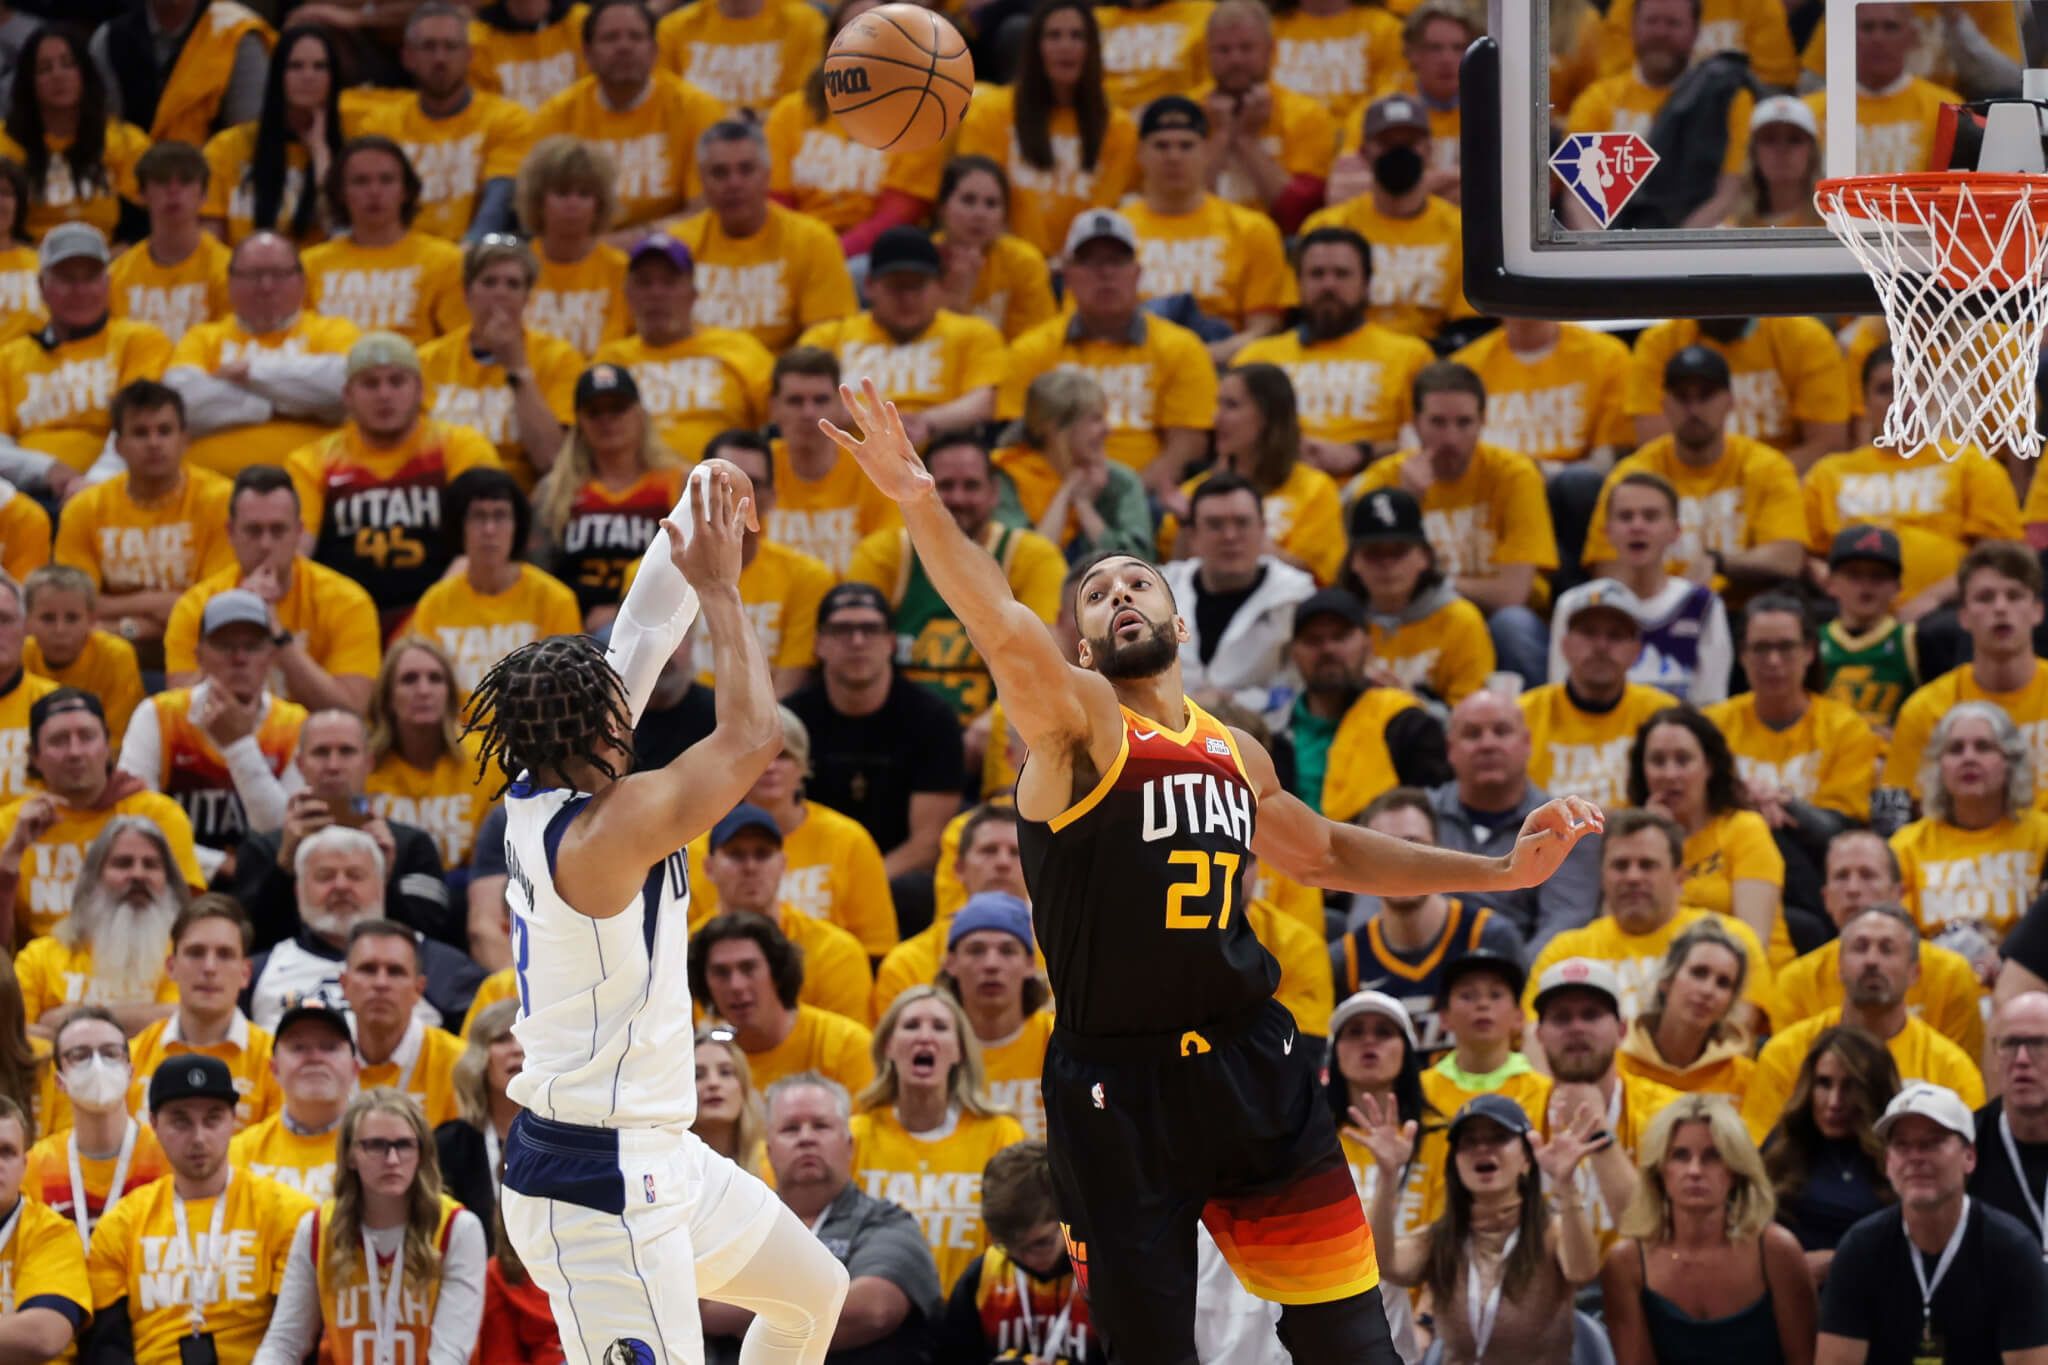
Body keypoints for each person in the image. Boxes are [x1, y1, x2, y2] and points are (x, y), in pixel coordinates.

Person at [842, 371, 1591, 1357]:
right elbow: (996, 623)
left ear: (1176, 619)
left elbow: (1321, 852)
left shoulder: (1234, 751)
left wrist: (1493, 872)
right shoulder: (1076, 724)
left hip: (1252, 1066)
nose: (1117, 595)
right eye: (1097, 591)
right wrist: (919, 502)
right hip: (1117, 1086)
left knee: (1350, 1342)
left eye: (1136, 582)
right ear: (1078, 637)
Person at [466, 460, 853, 1362]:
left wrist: (703, 491)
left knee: (809, 1296)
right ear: (598, 731)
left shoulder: (542, 780)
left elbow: (641, 622)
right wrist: (723, 586)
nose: (629, 710)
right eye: (616, 708)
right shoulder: (607, 830)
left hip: (658, 1148)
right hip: (592, 1183)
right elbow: (754, 737)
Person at [78, 1053, 317, 1364]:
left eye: (213, 1119)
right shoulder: (122, 1223)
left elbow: (297, 1336)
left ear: (234, 1120)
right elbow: (108, 1346)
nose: (199, 1137)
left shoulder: (286, 1213)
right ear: (153, 1124)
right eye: (181, 1121)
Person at [1353, 1091, 1603, 1365]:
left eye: (1499, 1137)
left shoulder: (1551, 1231)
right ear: (1455, 1163)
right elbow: (1386, 1265)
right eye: (1469, 1141)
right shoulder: (1441, 1238)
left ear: (1527, 1160)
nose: (1482, 1148)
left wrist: (1566, 1184)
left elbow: (1583, 1270)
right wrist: (1388, 1177)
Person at [1349, 362, 1558, 684]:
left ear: (1483, 422)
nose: (1450, 437)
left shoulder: (1514, 475)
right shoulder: (1384, 480)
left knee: (1513, 624)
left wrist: (1430, 578)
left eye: (1464, 423)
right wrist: (1406, 503)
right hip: (1418, 619)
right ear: (1415, 424)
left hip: (1495, 619)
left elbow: (1512, 593)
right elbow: (1364, 580)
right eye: (1438, 422)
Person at [1816, 1082, 2048, 1365]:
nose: (1916, 1157)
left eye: (1933, 1142)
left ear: (1969, 1156)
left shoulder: (2012, 1250)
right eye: (1902, 1145)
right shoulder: (1860, 1248)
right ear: (1888, 1162)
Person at [283, 331, 503, 628]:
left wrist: (425, 621)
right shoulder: (312, 461)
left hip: (442, 618)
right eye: (370, 383)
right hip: (342, 620)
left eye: (397, 381)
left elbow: (480, 545)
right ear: (347, 395)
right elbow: (296, 557)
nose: (384, 394)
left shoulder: (460, 447)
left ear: (420, 390)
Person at [252, 1088, 487, 1365]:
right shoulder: (317, 1229)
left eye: (404, 1145)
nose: (392, 1160)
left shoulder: (458, 1228)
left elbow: (450, 1354)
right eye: (375, 1145)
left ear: (422, 1153)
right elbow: (285, 1342)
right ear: (350, 1155)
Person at [996, 209, 1217, 496]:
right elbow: (1020, 443)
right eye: (1090, 261)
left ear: (1137, 273)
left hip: (1145, 500)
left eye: (1116, 260)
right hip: (1046, 498)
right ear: (1068, 275)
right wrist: (1065, 498)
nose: (1105, 273)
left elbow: (1185, 447)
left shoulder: (1182, 347)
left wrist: (1126, 499)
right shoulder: (1031, 349)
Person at [849, 438, 1066, 724]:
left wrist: (991, 726)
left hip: (997, 733)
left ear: (994, 492)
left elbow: (1047, 666)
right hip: (901, 733)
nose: (958, 498)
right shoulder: (885, 553)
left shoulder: (1032, 556)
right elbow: (850, 653)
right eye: (944, 486)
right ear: (919, 489)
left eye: (971, 486)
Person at [1805, 348, 2023, 622]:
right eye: (1885, 390)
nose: (1900, 401)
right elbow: (1805, 554)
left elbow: (1997, 554)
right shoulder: (1828, 473)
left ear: (1931, 395)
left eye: (1911, 387)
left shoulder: (1970, 463)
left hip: (1946, 611)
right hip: (1849, 615)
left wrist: (1934, 597)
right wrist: (1841, 589)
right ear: (1865, 401)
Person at [1601, 1094, 1819, 1365]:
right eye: (1680, 1155)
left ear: (1736, 1170)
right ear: (1660, 1170)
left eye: (1713, 1156)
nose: (1695, 1170)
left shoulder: (1777, 1251)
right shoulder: (1626, 1263)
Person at [1744, 906, 1985, 1144]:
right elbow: (1761, 1153)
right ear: (1838, 968)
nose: (1871, 960)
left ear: (1915, 973)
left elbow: (1968, 1159)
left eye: (1887, 950)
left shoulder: (1950, 1067)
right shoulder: (1785, 1053)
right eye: (1860, 948)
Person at [784, 577, 965, 890]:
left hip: (892, 877)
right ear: (818, 643)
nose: (857, 641)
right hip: (802, 876)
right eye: (841, 630)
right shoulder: (789, 722)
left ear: (891, 642)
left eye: (870, 629)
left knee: (916, 890)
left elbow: (928, 843)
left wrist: (856, 887)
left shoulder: (933, 719)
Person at [1526, 808, 1777, 1028]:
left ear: (1680, 877)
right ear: (1602, 877)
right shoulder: (1566, 952)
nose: (1633, 877)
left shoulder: (1730, 941)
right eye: (1620, 865)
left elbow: (1736, 1036)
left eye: (1647, 865)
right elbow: (1533, 1035)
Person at [162, 464, 381, 715]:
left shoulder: (348, 602)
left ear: (299, 532)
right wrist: (235, 617)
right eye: (253, 531)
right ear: (231, 533)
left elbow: (351, 710)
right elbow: (179, 715)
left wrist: (278, 636)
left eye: (278, 530)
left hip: (310, 746)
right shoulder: (197, 605)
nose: (265, 544)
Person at [117, 589, 307, 876]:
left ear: (271, 656)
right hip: (176, 880)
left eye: (252, 646)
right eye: (225, 645)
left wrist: (239, 746)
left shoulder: (294, 725)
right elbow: (135, 821)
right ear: (199, 655)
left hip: (267, 887)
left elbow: (286, 834)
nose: (239, 658)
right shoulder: (158, 715)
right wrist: (218, 865)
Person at [1582, 346, 1806, 589]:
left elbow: (1788, 558)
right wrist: (1670, 600)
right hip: (1656, 611)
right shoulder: (1632, 475)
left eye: (1705, 396)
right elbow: (1609, 570)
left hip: (1741, 610)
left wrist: (1719, 561)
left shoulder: (1767, 466)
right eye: (1682, 397)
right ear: (1664, 404)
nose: (1694, 409)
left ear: (1730, 402)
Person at [755, 1073, 941, 1364]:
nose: (806, 1138)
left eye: (821, 1126)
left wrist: (745, 1308)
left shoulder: (889, 1223)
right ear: (769, 1151)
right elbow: (699, 1305)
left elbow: (870, 1311)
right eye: (791, 1128)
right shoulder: (746, 1222)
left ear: (849, 1145)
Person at [231, 707, 453, 951]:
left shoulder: (411, 846)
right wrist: (283, 868)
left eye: (346, 751)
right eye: (321, 752)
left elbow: (433, 941)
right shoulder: (263, 850)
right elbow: (246, 944)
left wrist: (385, 879)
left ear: (368, 762)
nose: (333, 765)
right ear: (300, 765)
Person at [1706, 595, 1884, 896]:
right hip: (1724, 871)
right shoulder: (1712, 727)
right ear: (1742, 655)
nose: (1773, 661)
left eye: (1786, 647)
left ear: (1809, 652)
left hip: (1816, 876)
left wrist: (1785, 803)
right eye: (1761, 648)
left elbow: (1841, 832)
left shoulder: (1846, 728)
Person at [851, 987, 1027, 1291]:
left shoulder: (1001, 1134)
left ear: (959, 1050)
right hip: (879, 1320)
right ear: (888, 1046)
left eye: (940, 1027)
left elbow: (1013, 1242)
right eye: (911, 1026)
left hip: (970, 1317)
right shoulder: (855, 1135)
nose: (925, 1037)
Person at [689, 705, 899, 959]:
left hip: (825, 981)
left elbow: (877, 947)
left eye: (784, 756)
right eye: (759, 757)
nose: (770, 767)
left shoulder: (849, 840)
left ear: (803, 767)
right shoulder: (701, 849)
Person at [1329, 791, 1525, 1054]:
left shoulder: (1491, 936)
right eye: (1383, 848)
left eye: (1414, 845)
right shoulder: (1346, 958)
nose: (1400, 861)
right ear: (1362, 863)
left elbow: (1526, 1043)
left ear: (1438, 851)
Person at [0, 689, 203, 943]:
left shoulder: (157, 814)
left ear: (108, 746)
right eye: (59, 740)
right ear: (34, 756)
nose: (75, 752)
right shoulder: (10, 826)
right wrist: (11, 856)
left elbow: (190, 918)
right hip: (43, 973)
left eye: (87, 737)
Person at [48, 380, 232, 657]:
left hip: (204, 655)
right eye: (140, 433)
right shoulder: (84, 509)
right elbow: (75, 607)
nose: (154, 443)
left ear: (185, 439)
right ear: (119, 446)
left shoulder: (221, 500)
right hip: (107, 657)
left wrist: (119, 620)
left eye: (164, 431)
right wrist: (156, 606)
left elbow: (216, 607)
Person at [1234, 231, 1435, 480]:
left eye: (1342, 274)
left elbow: (1428, 444)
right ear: (1298, 283)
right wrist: (1284, 449)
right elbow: (1232, 442)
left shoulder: (1411, 355)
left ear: (1366, 284)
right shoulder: (1256, 357)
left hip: (1374, 492)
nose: (1329, 285)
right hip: (1279, 494)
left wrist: (1361, 452)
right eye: (1316, 274)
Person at [244, 826, 483, 1030]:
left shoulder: (439, 965)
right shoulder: (258, 973)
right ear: (298, 891)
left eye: (355, 875)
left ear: (382, 886)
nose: (341, 886)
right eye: (325, 876)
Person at [163, 234, 361, 478]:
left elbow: (342, 385)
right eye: (253, 275)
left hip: (316, 477)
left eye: (279, 274)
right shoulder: (202, 337)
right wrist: (284, 405)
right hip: (211, 484)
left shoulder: (333, 330)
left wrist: (249, 374)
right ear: (231, 282)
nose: (266, 286)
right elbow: (181, 404)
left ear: (301, 281)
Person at [1880, 541, 2048, 826]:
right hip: (1955, 857)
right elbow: (1888, 815)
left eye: (2014, 596)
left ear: (2037, 612)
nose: (2000, 608)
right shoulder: (1924, 708)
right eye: (1985, 597)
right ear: (1964, 617)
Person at [1776, 830, 1984, 1059]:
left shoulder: (1950, 974)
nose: (1853, 888)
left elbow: (1962, 1071)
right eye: (1841, 876)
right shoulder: (1795, 982)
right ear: (1826, 898)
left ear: (1898, 893)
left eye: (1868, 875)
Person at [0, 224, 172, 500]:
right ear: (42, 287)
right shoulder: (8, 357)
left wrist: (93, 483)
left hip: (117, 489)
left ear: (107, 284)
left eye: (91, 278)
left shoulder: (139, 341)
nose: (79, 290)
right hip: (26, 495)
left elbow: (140, 424)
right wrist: (45, 470)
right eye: (66, 279)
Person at [954, 0, 1137, 258]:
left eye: (1077, 36)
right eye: (1054, 36)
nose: (1066, 46)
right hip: (1006, 261)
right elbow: (978, 199)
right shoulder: (990, 113)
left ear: (1093, 49)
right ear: (1034, 48)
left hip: (1082, 267)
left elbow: (1105, 211)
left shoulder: (1119, 127)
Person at [795, 226, 1007, 446]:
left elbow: (984, 401)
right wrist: (885, 423)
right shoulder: (827, 337)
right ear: (869, 286)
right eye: (896, 286)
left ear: (938, 286)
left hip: (941, 459)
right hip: (851, 459)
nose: (907, 298)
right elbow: (801, 395)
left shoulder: (974, 333)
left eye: (918, 286)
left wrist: (927, 422)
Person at [1428, 690, 1602, 956]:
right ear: (1450, 749)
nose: (1488, 744)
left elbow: (1563, 923)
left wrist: (1510, 981)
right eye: (1472, 734)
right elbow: (1377, 906)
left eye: (1501, 731)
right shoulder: (1415, 814)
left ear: (1527, 743)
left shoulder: (1564, 822)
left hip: (1516, 979)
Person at [764, 0, 943, 256]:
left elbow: (900, 213)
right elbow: (776, 201)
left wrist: (833, 253)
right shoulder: (789, 112)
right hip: (797, 247)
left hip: (875, 255)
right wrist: (803, 251)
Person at [529, 0, 726, 232]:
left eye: (635, 37)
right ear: (588, 54)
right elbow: (538, 215)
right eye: (610, 38)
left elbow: (703, 213)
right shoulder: (555, 116)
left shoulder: (697, 109)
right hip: (582, 253)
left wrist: (633, 240)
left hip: (668, 253)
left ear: (654, 50)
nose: (624, 47)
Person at [1122, 96, 1291, 365]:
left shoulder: (1252, 229)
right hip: (1133, 357)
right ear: (1141, 154)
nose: (1174, 157)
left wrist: (1200, 357)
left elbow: (1265, 328)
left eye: (1186, 146)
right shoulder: (1116, 231)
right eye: (1161, 146)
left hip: (1225, 361)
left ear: (1206, 152)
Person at [671, 120, 860, 354]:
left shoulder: (813, 240)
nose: (734, 183)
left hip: (785, 382)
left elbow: (826, 346)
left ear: (767, 175)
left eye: (746, 169)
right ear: (702, 181)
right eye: (720, 173)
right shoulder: (676, 247)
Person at [1889, 701, 2048, 974]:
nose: (1968, 758)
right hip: (1934, 989)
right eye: (1955, 749)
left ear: (2010, 761)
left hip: (2021, 990)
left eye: (1983, 747)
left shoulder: (2043, 836)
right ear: (1938, 767)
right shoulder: (1905, 845)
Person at [587, 233, 775, 463]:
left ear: (694, 293)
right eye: (644, 282)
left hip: (721, 487)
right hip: (638, 492)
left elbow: (779, 424)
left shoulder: (740, 350)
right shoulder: (610, 362)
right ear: (628, 294)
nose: (656, 293)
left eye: (669, 282)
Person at [1301, 93, 1472, 342]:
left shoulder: (1460, 229)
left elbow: (1467, 325)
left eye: (1410, 143)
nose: (1399, 153)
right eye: (1387, 144)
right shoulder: (1328, 226)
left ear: (1429, 149)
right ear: (1364, 151)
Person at [1552, 470, 1734, 703]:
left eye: (1650, 516)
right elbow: (1560, 699)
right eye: (1626, 517)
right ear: (1607, 532)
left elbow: (1712, 706)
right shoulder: (1574, 604)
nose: (1637, 526)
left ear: (1675, 531)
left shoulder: (1703, 605)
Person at [355, 4, 531, 243]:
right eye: (428, 47)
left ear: (469, 55)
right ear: (408, 57)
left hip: (472, 257)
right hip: (402, 257)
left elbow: (496, 207)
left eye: (451, 47)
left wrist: (464, 256)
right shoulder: (380, 125)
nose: (440, 58)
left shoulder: (507, 118)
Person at [1630, 704, 1791, 965]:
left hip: (1745, 978)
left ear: (1709, 766)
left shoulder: (1744, 829)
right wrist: (1654, 840)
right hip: (1659, 978)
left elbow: (1753, 940)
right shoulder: (1633, 839)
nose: (1670, 774)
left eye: (1683, 760)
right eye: (1658, 761)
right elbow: (1619, 928)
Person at [417, 234, 579, 489]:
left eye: (513, 284)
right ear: (467, 293)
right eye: (489, 282)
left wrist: (516, 365)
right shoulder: (426, 360)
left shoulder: (559, 358)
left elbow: (552, 460)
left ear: (527, 297)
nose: (500, 293)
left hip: (522, 501)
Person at [530, 360, 689, 622]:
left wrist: (618, 615)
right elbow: (539, 573)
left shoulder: (676, 482)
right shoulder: (555, 491)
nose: (607, 421)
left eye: (617, 409)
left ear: (640, 414)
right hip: (571, 633)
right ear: (579, 423)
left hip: (656, 624)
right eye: (594, 412)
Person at [408, 469, 582, 698]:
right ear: (459, 526)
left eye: (500, 516)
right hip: (454, 733)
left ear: (516, 526)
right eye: (478, 517)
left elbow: (568, 693)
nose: (489, 530)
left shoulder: (554, 599)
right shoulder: (435, 603)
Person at [1281, 587, 1449, 821]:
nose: (1328, 649)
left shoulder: (1405, 721)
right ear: (1293, 653)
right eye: (1313, 640)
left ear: (1368, 645)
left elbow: (1433, 816)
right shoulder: (1273, 732)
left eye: (1340, 637)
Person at [1160, 472, 1316, 721]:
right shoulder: (1158, 590)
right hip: (1169, 737)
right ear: (1193, 536)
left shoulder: (1297, 596)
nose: (1230, 536)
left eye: (1242, 523)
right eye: (1215, 525)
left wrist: (1230, 703)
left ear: (1263, 529)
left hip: (1265, 740)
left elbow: (1300, 690)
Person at [14, 817, 186, 1037]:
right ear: (93, 877)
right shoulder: (39, 957)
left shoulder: (186, 956)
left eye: (151, 865)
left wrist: (69, 1022)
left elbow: (188, 1022)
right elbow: (15, 1040)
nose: (138, 874)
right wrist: (142, 1019)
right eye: (123, 863)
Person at [703, 802, 873, 1022]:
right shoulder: (682, 951)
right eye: (735, 854)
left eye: (763, 854)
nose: (750, 867)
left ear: (783, 864)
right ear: (708, 868)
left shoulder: (835, 952)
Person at [694, 430, 835, 697]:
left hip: (766, 724)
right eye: (725, 484)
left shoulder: (808, 577)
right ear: (698, 491)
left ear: (771, 497)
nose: (737, 497)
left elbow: (787, 689)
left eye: (753, 485)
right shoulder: (653, 574)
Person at [936, 1139, 1101, 1365]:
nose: (1026, 1259)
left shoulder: (1107, 1277)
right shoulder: (984, 1274)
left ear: (1070, 1215)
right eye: (1008, 1246)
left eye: (1041, 1243)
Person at [1521, 584, 1681, 809]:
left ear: (1636, 651)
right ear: (1565, 645)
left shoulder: (1665, 714)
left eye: (1615, 635)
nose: (1601, 646)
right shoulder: (1522, 713)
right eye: (1588, 632)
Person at [1761, 1026, 1900, 1281]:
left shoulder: (1900, 1155)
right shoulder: (1783, 1145)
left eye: (1850, 1086)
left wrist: (1837, 1262)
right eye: (1824, 1084)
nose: (1834, 1102)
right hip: (1784, 1297)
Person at [127, 897, 276, 1129]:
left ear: (246, 973)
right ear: (171, 967)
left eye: (224, 954)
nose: (209, 967)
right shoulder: (133, 1057)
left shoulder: (275, 1061)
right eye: (196, 953)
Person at [300, 137, 466, 346]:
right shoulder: (308, 265)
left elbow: (458, 344)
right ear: (341, 193)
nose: (374, 192)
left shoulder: (446, 260)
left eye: (386, 180)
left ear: (406, 191)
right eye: (361, 181)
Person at [1340, 485, 1496, 706]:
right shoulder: (1338, 622)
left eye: (1399, 551)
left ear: (1424, 557)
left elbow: (1472, 721)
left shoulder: (1460, 620)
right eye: (1373, 553)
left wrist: (1410, 705)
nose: (1387, 565)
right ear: (1353, 561)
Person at [691, 913, 878, 1097]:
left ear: (778, 973)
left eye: (748, 968)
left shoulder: (846, 1046)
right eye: (721, 973)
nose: (736, 985)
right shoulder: (700, 1060)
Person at [22, 1008, 168, 1237]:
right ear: (60, 1081)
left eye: (110, 1053)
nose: (97, 1066)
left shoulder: (166, 1154)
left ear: (130, 1072)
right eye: (80, 1055)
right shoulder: (35, 1167)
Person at [1193, 0, 1335, 228]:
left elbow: (1298, 213)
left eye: (1246, 48)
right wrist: (1220, 136)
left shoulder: (1307, 114)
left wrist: (1246, 141)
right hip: (1206, 236)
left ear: (1271, 50)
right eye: (1223, 50)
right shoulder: (1186, 112)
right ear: (1207, 53)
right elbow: (1178, 204)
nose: (1235, 59)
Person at [764, 347, 902, 579]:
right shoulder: (755, 471)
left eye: (821, 400)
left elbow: (890, 561)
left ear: (840, 406)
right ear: (773, 408)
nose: (809, 413)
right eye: (795, 401)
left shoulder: (875, 469)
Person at [200, 27, 345, 246]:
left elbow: (342, 234)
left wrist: (320, 152)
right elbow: (210, 245)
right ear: (277, 75)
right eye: (295, 66)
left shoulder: (353, 147)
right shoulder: (226, 148)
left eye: (320, 67)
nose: (308, 76)